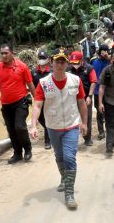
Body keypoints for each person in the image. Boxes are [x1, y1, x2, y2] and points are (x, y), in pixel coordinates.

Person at [29, 48, 88, 210]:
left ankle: (69, 194)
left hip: (71, 125)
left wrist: (85, 123)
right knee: (59, 156)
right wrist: (33, 125)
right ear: (51, 63)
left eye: (63, 61)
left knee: (69, 158)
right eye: (57, 61)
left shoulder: (76, 81)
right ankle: (64, 178)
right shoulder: (44, 83)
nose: (60, 64)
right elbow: (37, 105)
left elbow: (82, 103)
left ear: (67, 63)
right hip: (53, 127)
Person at [0, 43, 35, 164]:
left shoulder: (22, 66)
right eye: (1, 53)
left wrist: (37, 100)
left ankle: (28, 149)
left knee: (19, 127)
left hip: (21, 102)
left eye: (6, 53)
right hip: (6, 105)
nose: (3, 55)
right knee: (11, 130)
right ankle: (17, 153)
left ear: (12, 53)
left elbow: (30, 84)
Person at [67, 51, 97, 146]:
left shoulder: (89, 68)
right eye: (73, 62)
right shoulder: (68, 69)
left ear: (81, 60)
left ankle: (87, 138)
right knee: (72, 119)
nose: (74, 64)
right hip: (71, 98)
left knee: (86, 117)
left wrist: (90, 96)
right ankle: (72, 139)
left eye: (76, 62)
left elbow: (93, 82)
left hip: (85, 98)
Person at [30, 50, 52, 149]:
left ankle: (48, 141)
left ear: (47, 60)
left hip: (49, 100)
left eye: (43, 58)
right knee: (40, 118)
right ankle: (50, 133)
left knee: (48, 119)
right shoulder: (33, 72)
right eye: (40, 58)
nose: (41, 60)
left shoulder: (51, 72)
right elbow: (30, 86)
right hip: (38, 100)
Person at [92, 44, 110, 140]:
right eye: (103, 51)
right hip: (96, 91)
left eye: (106, 51)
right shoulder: (94, 61)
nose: (105, 53)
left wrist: (108, 57)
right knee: (99, 112)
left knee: (108, 111)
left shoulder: (110, 61)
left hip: (108, 91)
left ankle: (108, 129)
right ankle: (101, 131)